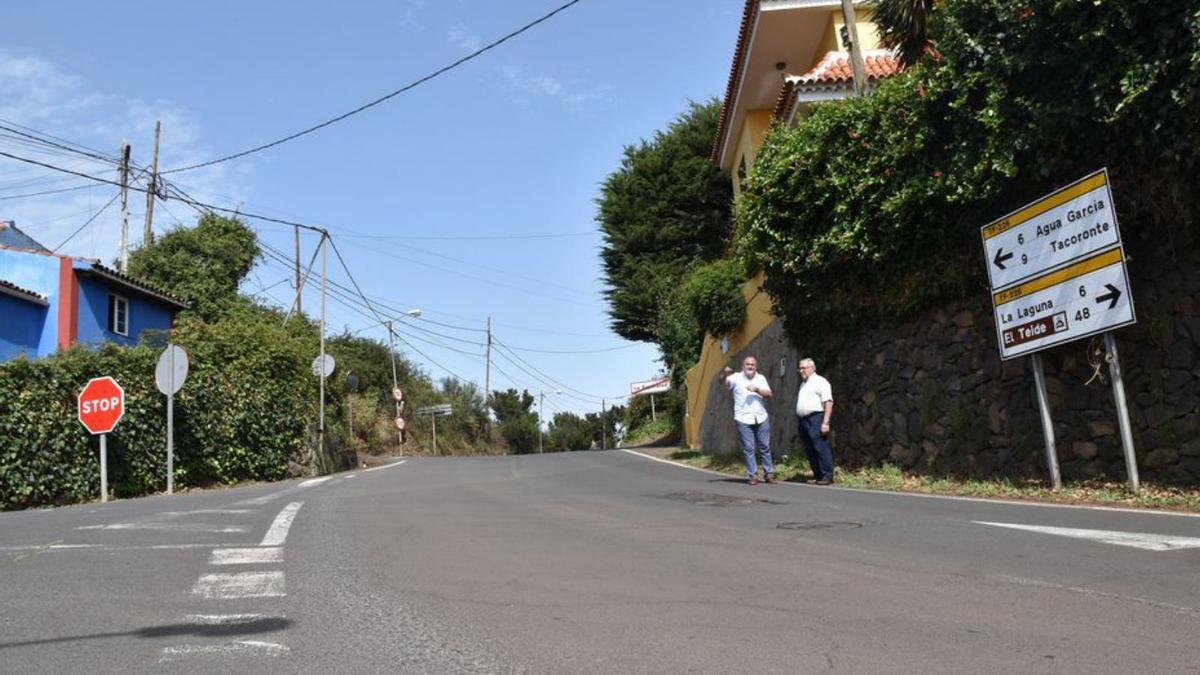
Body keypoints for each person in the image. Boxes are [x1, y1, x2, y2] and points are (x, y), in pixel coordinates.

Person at [720, 356, 775, 485]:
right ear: (743, 365)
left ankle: (769, 473)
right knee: (749, 448)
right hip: (743, 418)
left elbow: (769, 394)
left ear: (756, 366)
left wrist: (756, 389)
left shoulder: (760, 378)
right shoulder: (736, 378)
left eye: (752, 364)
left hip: (761, 417)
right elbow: (722, 382)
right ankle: (753, 475)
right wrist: (724, 374)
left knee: (765, 446)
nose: (750, 366)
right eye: (748, 364)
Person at [795, 357, 835, 484]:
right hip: (804, 420)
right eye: (800, 368)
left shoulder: (820, 382)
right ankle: (818, 475)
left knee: (821, 447)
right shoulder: (804, 383)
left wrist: (825, 422)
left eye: (804, 368)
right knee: (810, 448)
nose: (801, 371)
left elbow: (828, 402)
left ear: (812, 368)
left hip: (816, 418)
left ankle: (827, 475)